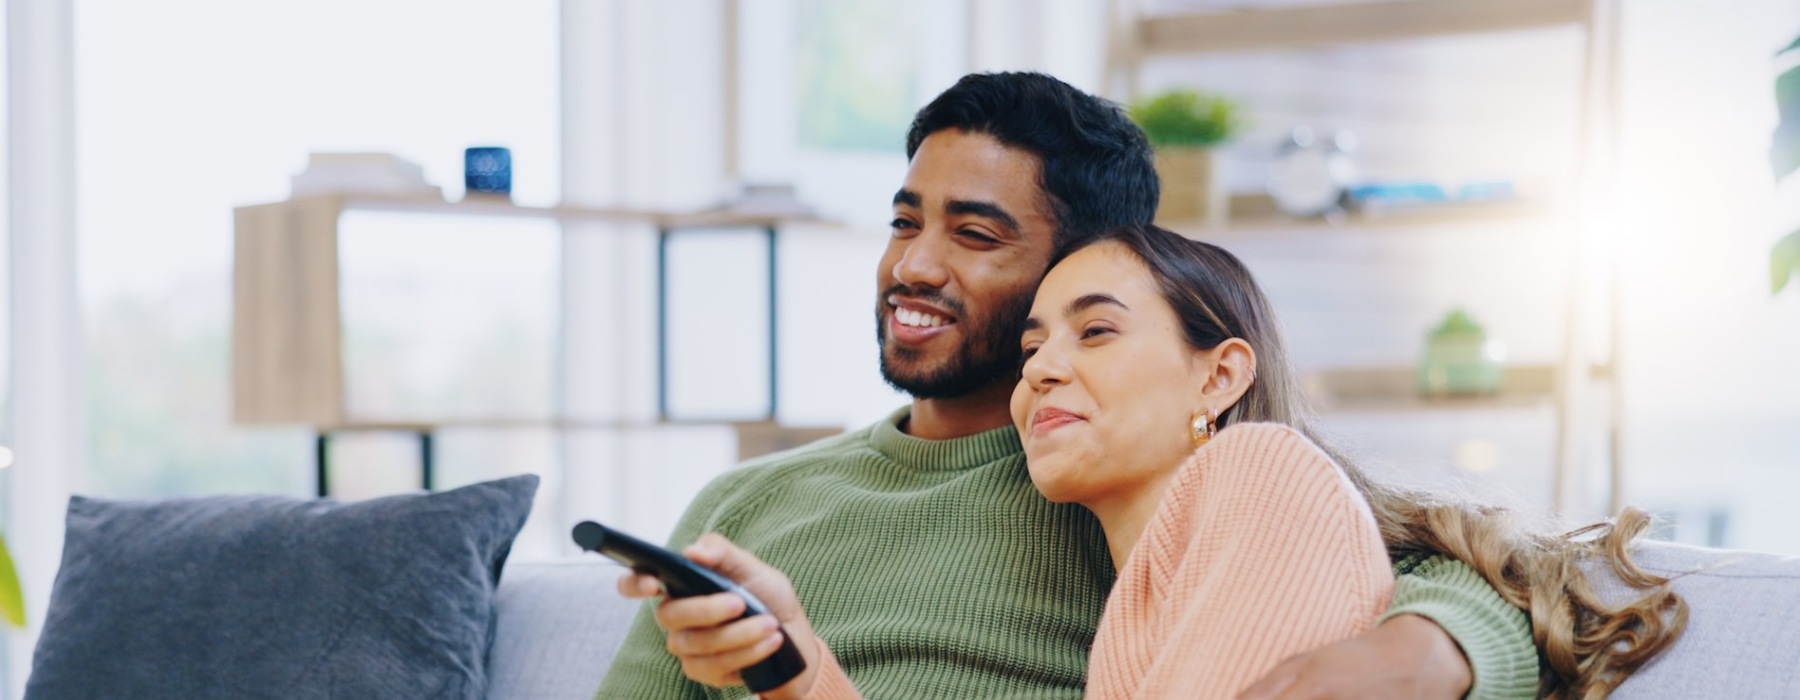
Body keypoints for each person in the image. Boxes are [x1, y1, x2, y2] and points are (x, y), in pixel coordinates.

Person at [595, 72, 1539, 699]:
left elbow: (1461, 581)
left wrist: (1423, 651)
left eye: (974, 234)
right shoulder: (749, 504)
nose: (914, 265)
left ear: (1083, 262)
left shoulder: (1127, 473)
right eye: (903, 221)